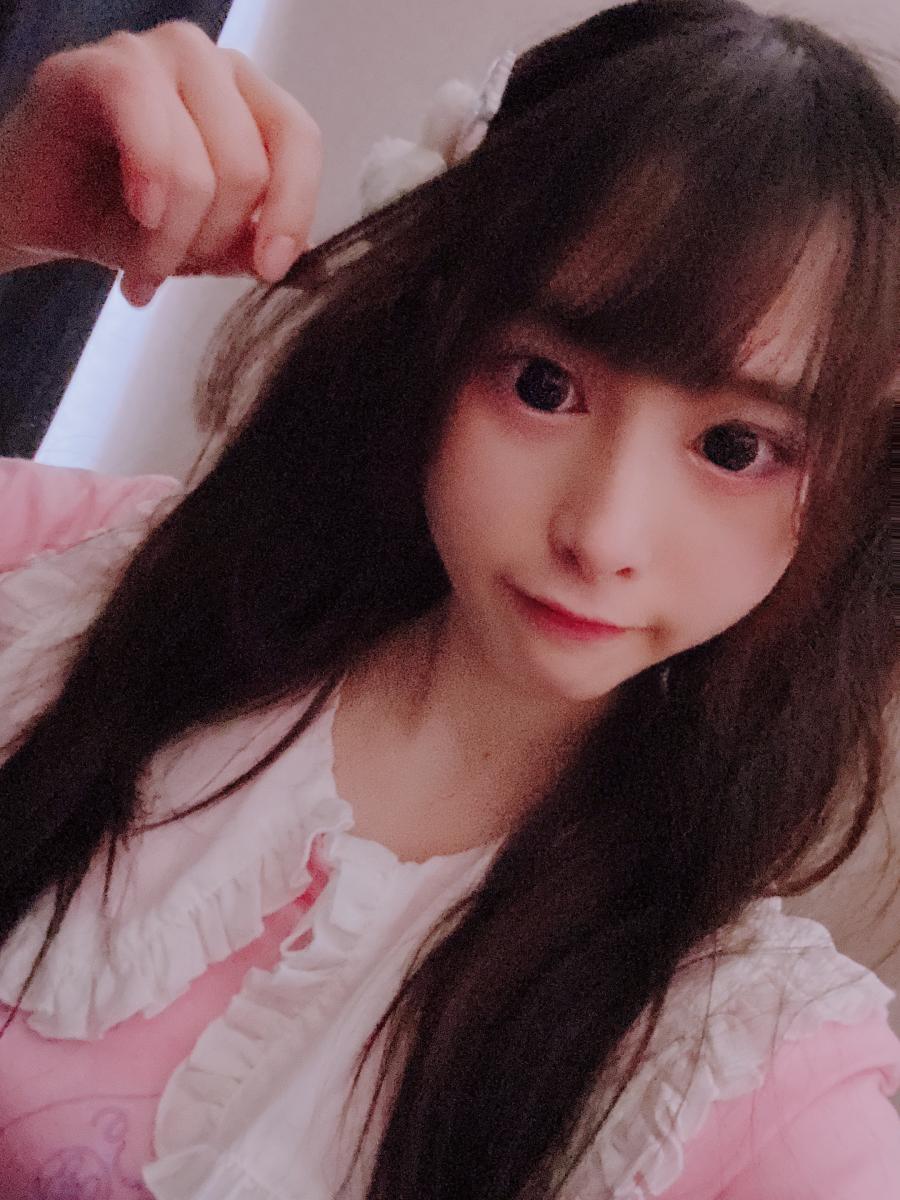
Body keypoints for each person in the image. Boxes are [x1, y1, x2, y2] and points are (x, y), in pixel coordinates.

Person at [0, 1, 898, 1197]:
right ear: (435, 333)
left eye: (736, 448)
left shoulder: (740, 1077)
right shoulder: (69, 589)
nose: (602, 536)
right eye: (544, 385)